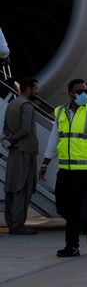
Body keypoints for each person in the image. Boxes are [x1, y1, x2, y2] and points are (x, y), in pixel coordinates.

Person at [40, 79, 87, 256]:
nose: (83, 95)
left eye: (85, 92)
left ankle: (72, 246)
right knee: (62, 208)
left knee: (75, 210)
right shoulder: (60, 112)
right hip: (65, 169)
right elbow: (54, 139)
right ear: (70, 93)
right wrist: (45, 162)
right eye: (79, 92)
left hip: (86, 172)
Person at [3, 77, 39, 235]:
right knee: (22, 188)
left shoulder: (12, 104)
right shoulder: (27, 106)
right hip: (25, 151)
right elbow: (25, 129)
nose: (37, 91)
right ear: (28, 89)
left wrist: (10, 139)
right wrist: (14, 138)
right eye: (36, 88)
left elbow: (5, 129)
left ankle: (12, 222)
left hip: (14, 151)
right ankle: (18, 225)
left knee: (12, 187)